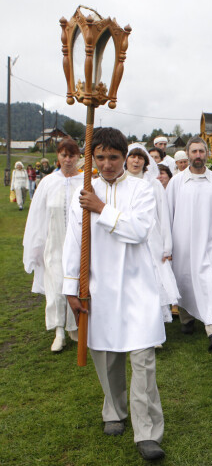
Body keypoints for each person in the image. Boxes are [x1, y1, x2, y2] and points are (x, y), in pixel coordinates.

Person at [62, 128, 166, 461]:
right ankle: (113, 409)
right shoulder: (81, 190)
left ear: (125, 158)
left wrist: (101, 208)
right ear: (93, 157)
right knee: (106, 357)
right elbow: (72, 240)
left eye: (114, 157)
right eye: (101, 157)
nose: (107, 164)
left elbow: (137, 232)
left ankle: (147, 431)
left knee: (142, 361)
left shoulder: (142, 189)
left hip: (137, 287)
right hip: (98, 287)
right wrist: (70, 285)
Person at [167, 136, 212, 351]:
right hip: (183, 246)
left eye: (201, 151)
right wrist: (167, 246)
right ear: (188, 154)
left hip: (210, 244)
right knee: (185, 282)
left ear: (207, 154)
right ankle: (187, 318)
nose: (198, 155)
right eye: (194, 152)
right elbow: (167, 215)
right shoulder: (176, 182)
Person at [23, 139, 83, 352]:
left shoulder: (86, 181)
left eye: (72, 155)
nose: (68, 160)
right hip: (54, 243)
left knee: (76, 285)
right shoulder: (48, 182)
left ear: (78, 157)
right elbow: (37, 216)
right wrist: (35, 246)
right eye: (64, 155)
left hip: (78, 244)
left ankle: (74, 326)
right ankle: (59, 331)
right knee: (57, 287)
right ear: (58, 156)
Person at [125, 144, 180, 327]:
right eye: (132, 156)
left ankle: (155, 324)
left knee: (154, 280)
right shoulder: (121, 182)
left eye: (140, 157)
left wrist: (167, 245)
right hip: (130, 237)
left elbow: (163, 215)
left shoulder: (154, 184)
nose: (136, 160)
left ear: (145, 162)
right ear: (126, 159)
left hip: (153, 238)